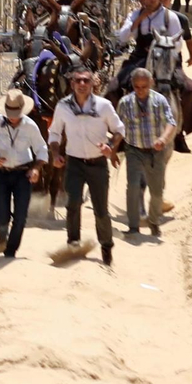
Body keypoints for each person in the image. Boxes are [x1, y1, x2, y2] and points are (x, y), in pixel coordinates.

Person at [48, 64, 126, 266]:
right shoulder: (63, 107)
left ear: (93, 83)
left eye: (86, 80)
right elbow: (55, 133)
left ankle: (106, 248)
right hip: (74, 163)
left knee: (101, 210)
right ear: (72, 84)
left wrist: (110, 146)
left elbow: (119, 130)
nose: (82, 84)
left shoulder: (103, 106)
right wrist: (56, 153)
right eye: (78, 80)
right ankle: (73, 244)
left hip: (98, 164)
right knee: (72, 204)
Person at [0, 89, 49, 257]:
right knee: (2, 213)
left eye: (16, 113)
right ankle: (2, 233)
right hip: (1, 174)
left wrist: (36, 168)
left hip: (23, 174)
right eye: (10, 113)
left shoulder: (30, 126)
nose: (13, 116)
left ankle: (10, 252)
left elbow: (41, 150)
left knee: (20, 216)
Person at [116, 67, 178, 237]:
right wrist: (113, 148)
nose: (141, 90)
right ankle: (133, 226)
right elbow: (118, 127)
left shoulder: (160, 101)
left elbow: (171, 122)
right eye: (137, 87)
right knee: (133, 187)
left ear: (151, 83)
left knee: (157, 191)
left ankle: (153, 221)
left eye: (144, 86)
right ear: (133, 85)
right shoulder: (125, 103)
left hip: (156, 152)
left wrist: (164, 139)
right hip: (134, 150)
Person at [112, 0, 187, 94]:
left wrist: (163, 50)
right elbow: (122, 37)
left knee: (189, 89)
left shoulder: (169, 17)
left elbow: (179, 43)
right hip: (139, 59)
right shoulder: (134, 15)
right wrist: (139, 19)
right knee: (113, 87)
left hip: (166, 60)